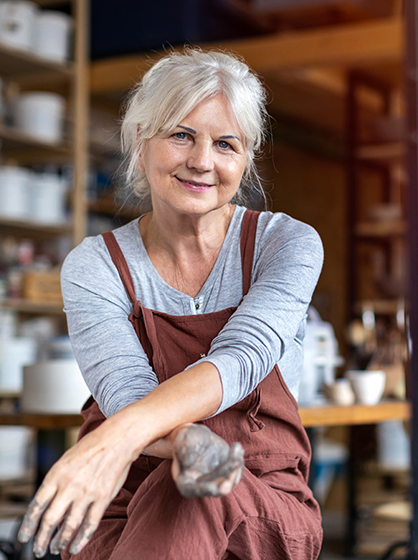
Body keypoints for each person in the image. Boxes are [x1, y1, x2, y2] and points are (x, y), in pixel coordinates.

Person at [17, 49, 325, 559]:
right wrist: (184, 444)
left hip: (259, 504)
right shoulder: (96, 266)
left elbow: (242, 359)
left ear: (245, 159)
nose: (202, 160)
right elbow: (127, 394)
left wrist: (120, 437)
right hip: (122, 502)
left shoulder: (285, 244)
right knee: (176, 484)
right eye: (181, 134)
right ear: (142, 144)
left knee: (190, 490)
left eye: (225, 143)